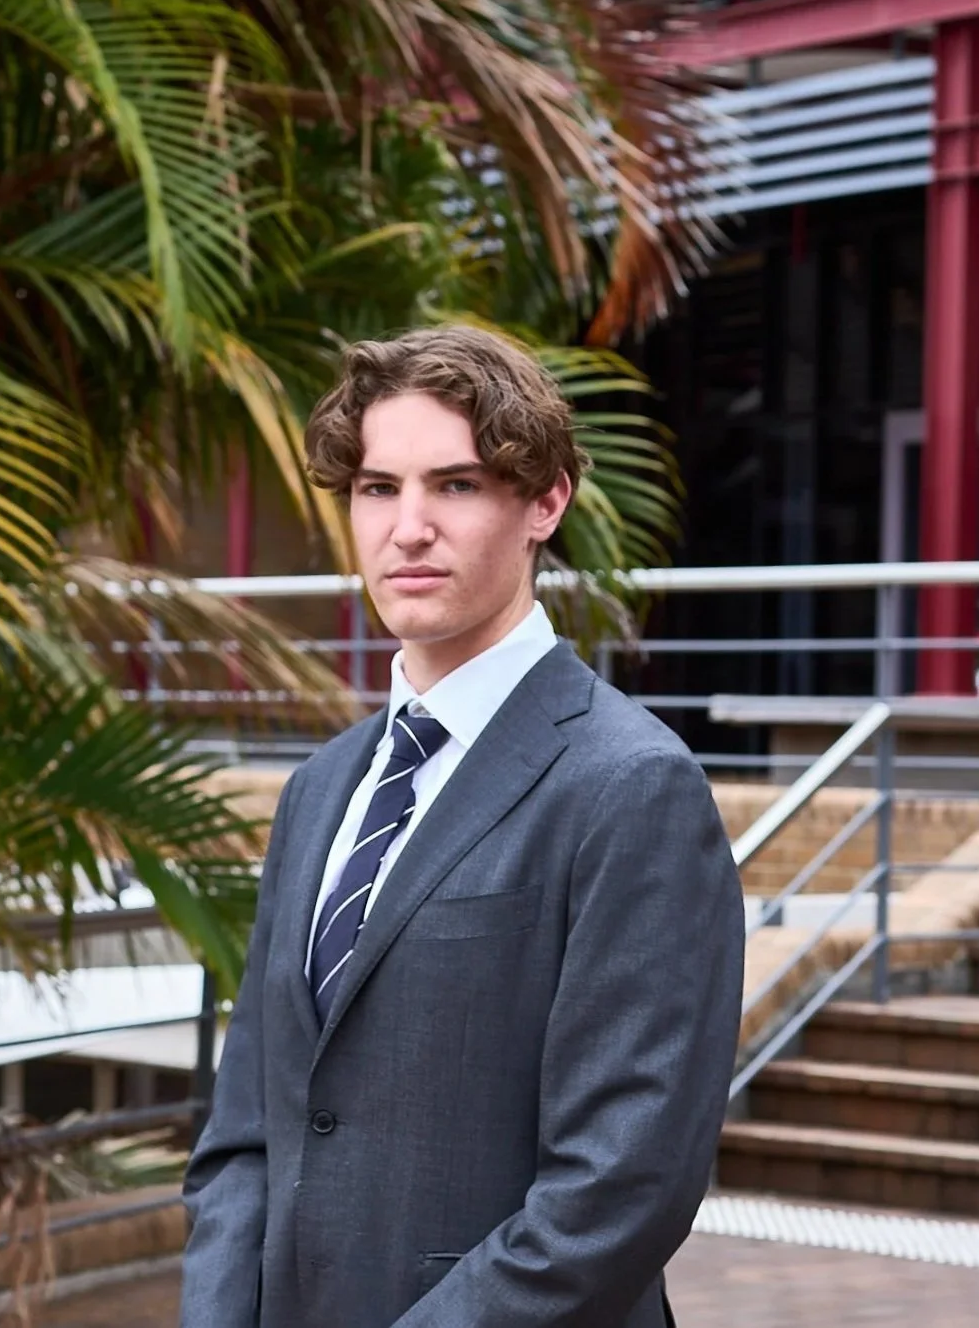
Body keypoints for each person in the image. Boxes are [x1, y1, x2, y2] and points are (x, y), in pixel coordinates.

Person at [180, 325, 745, 1328]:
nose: (408, 528)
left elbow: (619, 1186)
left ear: (544, 501)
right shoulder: (319, 789)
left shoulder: (631, 785)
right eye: (376, 488)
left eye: (455, 485)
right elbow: (246, 1133)